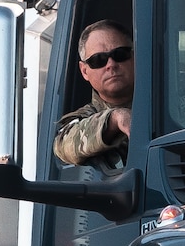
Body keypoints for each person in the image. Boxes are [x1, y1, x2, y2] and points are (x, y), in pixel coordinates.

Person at [54, 21, 135, 169]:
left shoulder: (173, 92)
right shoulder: (87, 117)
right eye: (98, 60)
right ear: (84, 71)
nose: (111, 64)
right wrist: (115, 120)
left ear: (134, 56)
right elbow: (64, 144)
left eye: (120, 54)